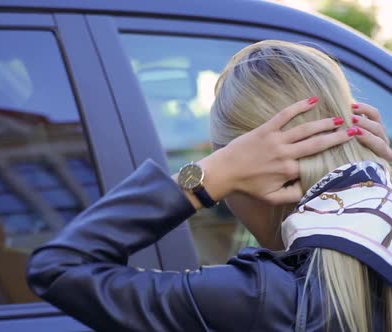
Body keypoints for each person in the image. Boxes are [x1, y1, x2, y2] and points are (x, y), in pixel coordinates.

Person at [26, 40, 392, 331]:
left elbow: (58, 268)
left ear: (254, 171)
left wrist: (207, 177)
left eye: (228, 159)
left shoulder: (255, 299)